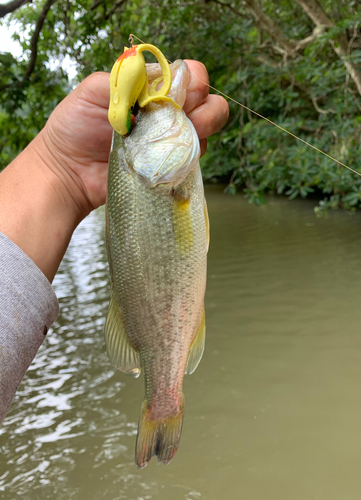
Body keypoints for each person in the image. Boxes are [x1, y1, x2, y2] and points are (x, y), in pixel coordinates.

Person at [0, 60, 229, 423]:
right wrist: (58, 166)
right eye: (136, 117)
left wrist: (58, 168)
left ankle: (163, 402)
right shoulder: (164, 181)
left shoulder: (162, 178)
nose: (150, 106)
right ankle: (164, 402)